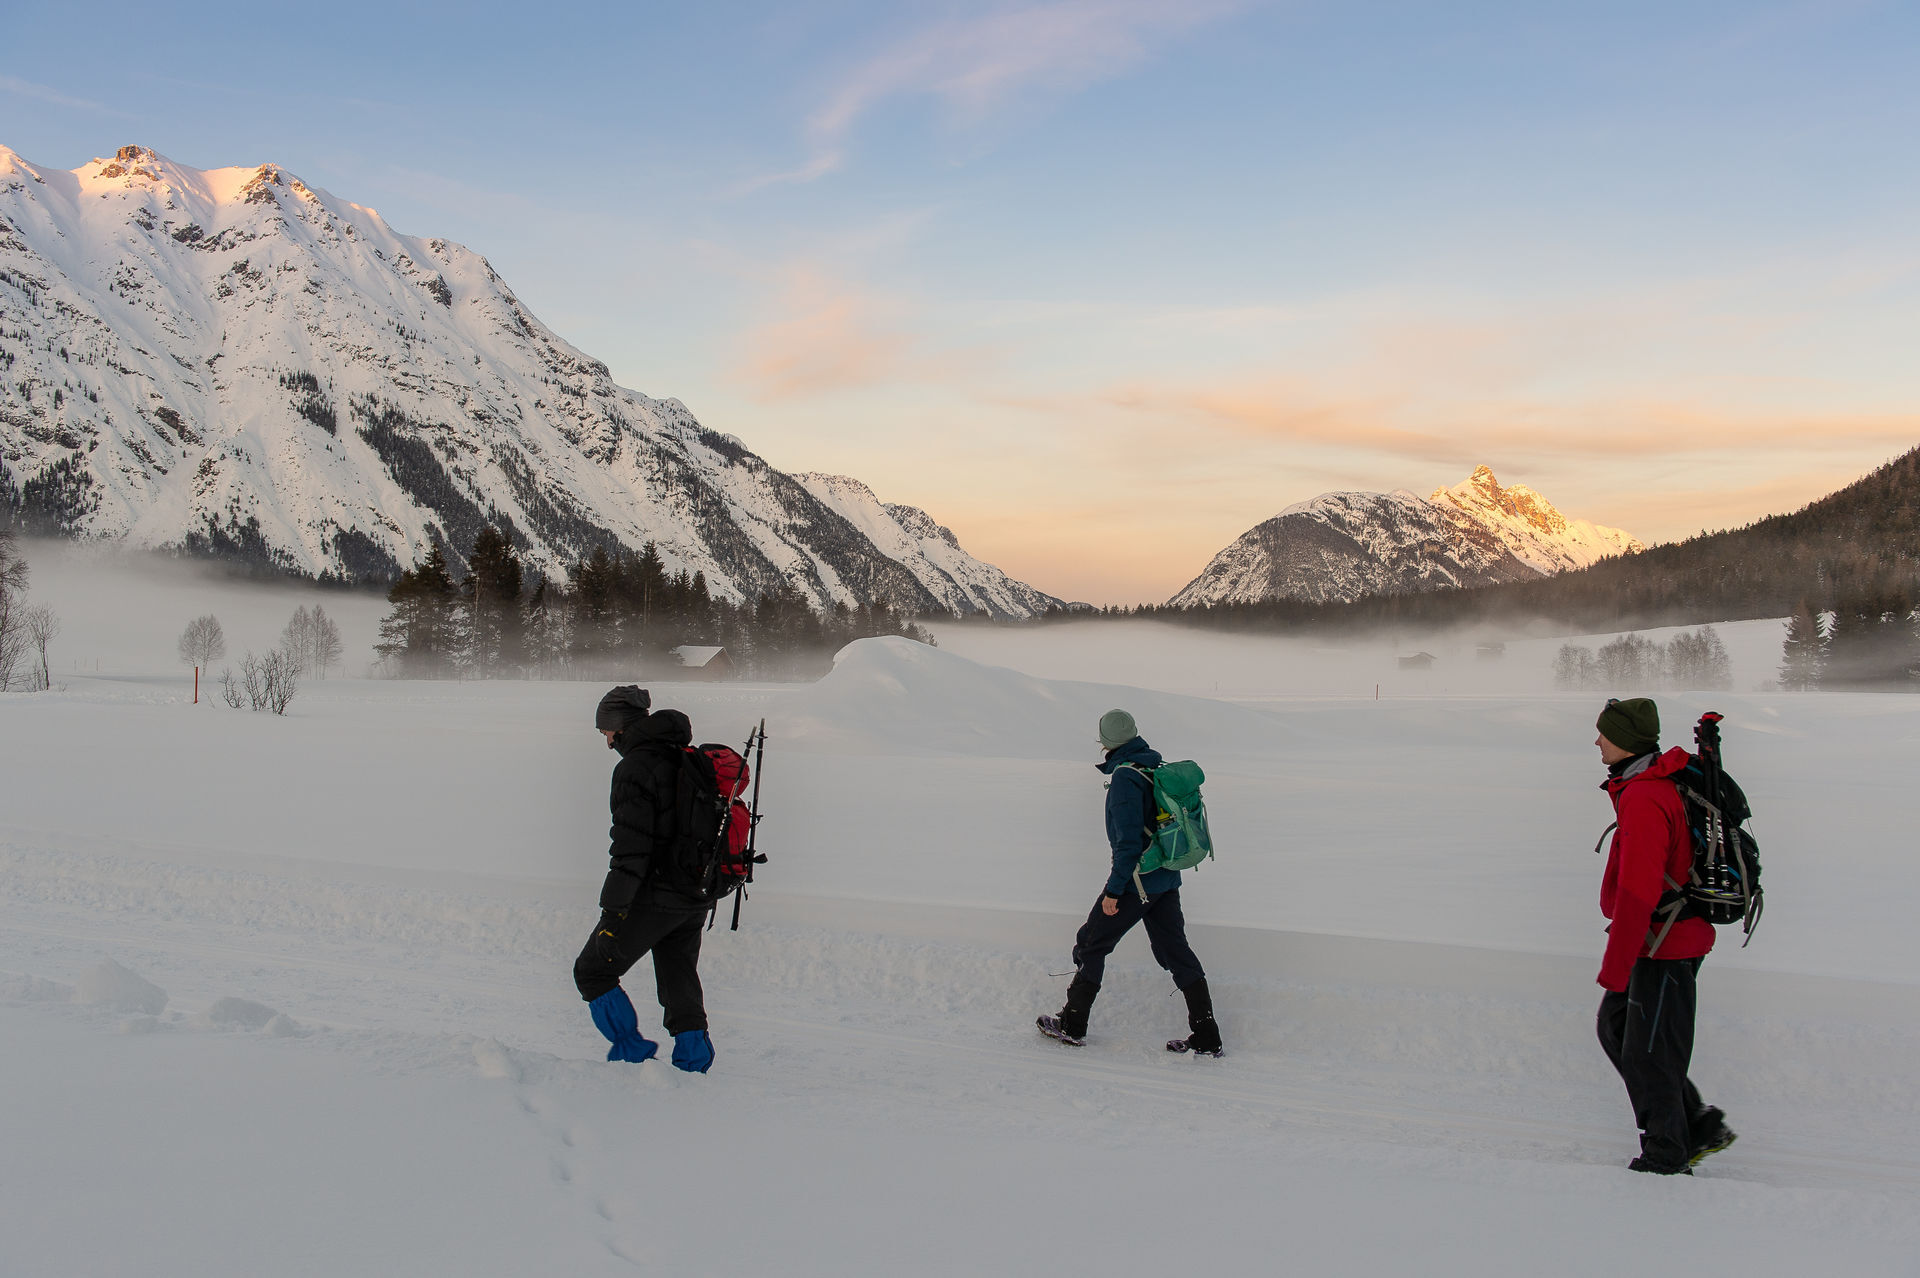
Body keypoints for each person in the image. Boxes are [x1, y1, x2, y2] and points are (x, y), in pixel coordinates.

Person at [1592, 697, 1736, 1173]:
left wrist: (1615, 967)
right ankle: (1694, 1125)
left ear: (1628, 742)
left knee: (1649, 1053)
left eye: (1605, 734)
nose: (1597, 742)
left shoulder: (1646, 796)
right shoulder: (1645, 783)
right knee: (1618, 1030)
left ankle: (1666, 1154)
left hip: (1666, 944)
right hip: (1658, 940)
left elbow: (1638, 891)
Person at [1038, 709, 1221, 1055]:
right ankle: (1208, 1036)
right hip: (1167, 878)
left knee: (1091, 943)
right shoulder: (1152, 765)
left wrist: (1114, 890)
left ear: (1104, 743)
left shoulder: (1125, 777)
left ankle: (1072, 1024)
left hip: (1138, 881)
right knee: (1176, 951)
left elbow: (1127, 844)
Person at [573, 685, 716, 1074]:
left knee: (592, 971)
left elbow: (631, 850)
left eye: (605, 733)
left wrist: (613, 911)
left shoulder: (634, 768)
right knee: (677, 974)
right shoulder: (685, 757)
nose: (606, 743)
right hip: (696, 892)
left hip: (657, 894)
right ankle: (693, 1061)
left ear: (618, 727)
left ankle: (631, 1056)